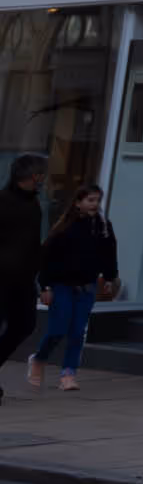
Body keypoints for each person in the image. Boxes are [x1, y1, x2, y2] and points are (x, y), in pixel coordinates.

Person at [35, 181, 116, 392]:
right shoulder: (64, 227)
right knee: (57, 329)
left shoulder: (103, 226)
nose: (95, 205)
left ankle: (68, 374)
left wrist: (109, 277)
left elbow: (109, 253)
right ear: (78, 202)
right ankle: (39, 358)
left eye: (98, 201)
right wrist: (45, 287)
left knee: (78, 332)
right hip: (61, 285)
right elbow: (47, 258)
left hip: (86, 287)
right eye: (90, 200)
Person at [0, 155, 41, 394]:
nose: (42, 179)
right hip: (1, 278)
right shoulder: (3, 201)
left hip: (24, 279)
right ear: (29, 176)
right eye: (39, 174)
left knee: (24, 325)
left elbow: (33, 242)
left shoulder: (33, 204)